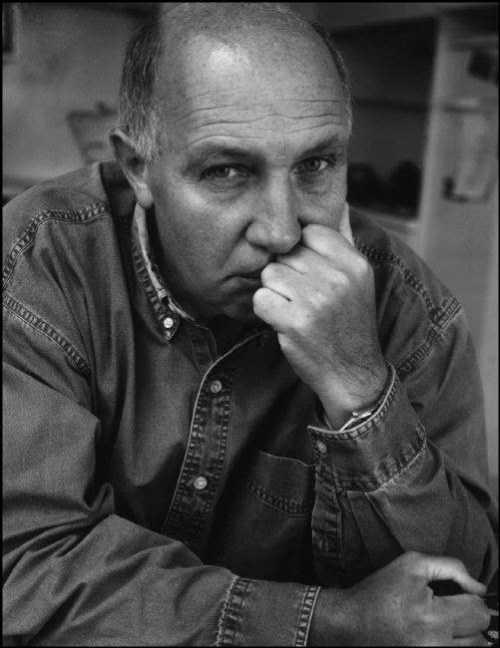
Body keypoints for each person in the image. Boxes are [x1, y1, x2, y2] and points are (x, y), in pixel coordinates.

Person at [2, 2, 497, 645]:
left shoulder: (408, 308)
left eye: (317, 165)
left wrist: (360, 388)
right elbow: (25, 568)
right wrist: (326, 624)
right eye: (227, 171)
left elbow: (461, 591)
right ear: (138, 167)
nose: (282, 230)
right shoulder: (38, 265)